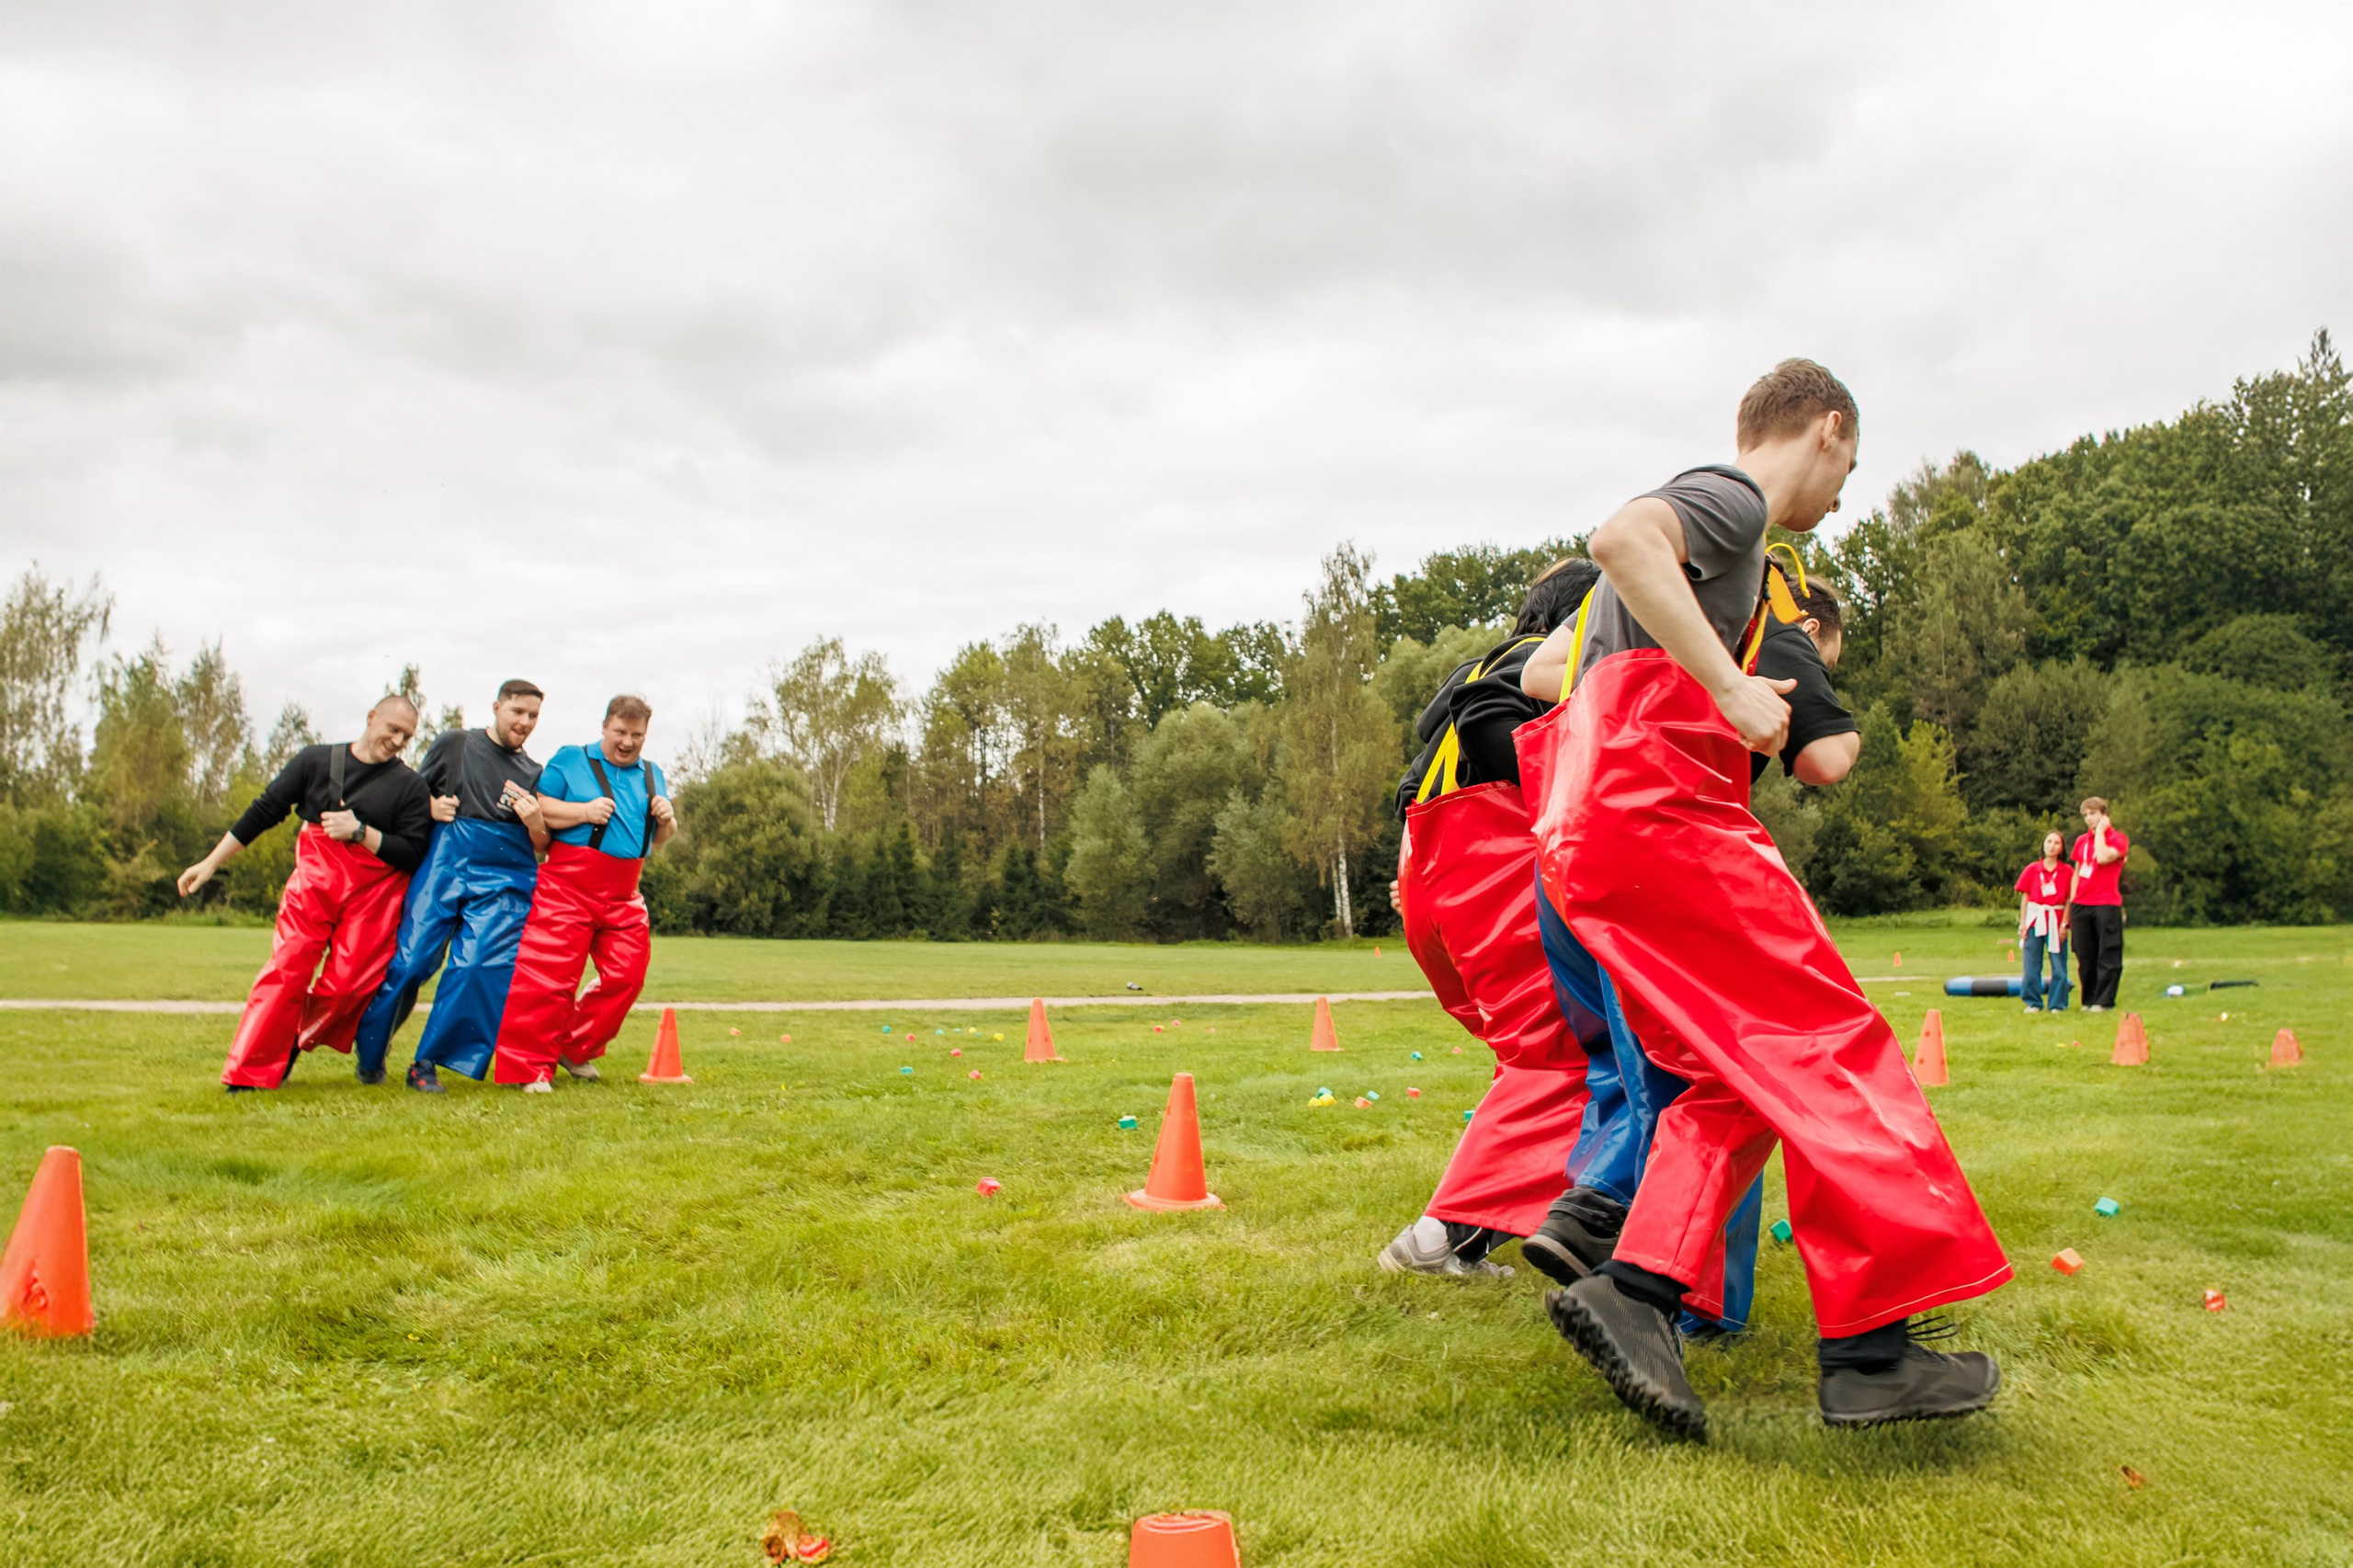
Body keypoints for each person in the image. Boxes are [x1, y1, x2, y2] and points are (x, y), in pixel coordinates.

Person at [1521, 360, 2009, 1439]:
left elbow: (1548, 671)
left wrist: (1695, 668)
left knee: (1735, 1071)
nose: (1840, 497)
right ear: (1826, 429)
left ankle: (1638, 1292)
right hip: (1663, 817)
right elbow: (1619, 539)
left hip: (1590, 827)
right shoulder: (1733, 502)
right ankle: (1871, 1350)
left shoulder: (1720, 560)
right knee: (1830, 1041)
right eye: (1849, 467)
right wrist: (1731, 686)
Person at [1515, 566, 1861, 1342]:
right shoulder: (1775, 624)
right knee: (1728, 1078)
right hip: (1668, 856)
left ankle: (1595, 1215)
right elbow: (1827, 759)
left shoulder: (1636, 611)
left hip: (1573, 850)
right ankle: (1681, 1293)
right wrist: (1793, 695)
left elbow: (1538, 672)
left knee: (1638, 1074)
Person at [1381, 558, 1601, 1278]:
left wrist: (1419, 874)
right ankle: (1440, 1237)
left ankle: (1488, 1229)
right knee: (1562, 1054)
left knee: (1537, 1058)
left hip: (1436, 879)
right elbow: (1486, 725)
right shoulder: (1532, 668)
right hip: (1489, 877)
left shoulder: (1477, 668)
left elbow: (1414, 786)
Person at [177, 696, 434, 1091]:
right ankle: (248, 1075)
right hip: (315, 882)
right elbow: (265, 810)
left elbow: (414, 853)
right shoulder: (315, 761)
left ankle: (295, 1035)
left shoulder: (410, 786)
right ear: (371, 718)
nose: (398, 740)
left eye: (407, 736)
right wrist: (211, 862)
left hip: (374, 896)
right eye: (393, 729)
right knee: (287, 970)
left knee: (348, 985)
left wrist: (361, 833)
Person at [352, 680, 552, 1092]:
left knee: (478, 966)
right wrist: (429, 806)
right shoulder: (455, 744)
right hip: (447, 862)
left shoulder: (534, 772)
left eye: (533, 716)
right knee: (411, 963)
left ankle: (425, 1064)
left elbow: (542, 849)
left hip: (505, 875)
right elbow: (410, 795)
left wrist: (536, 824)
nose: (525, 722)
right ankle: (371, 1050)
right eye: (518, 711)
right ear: (497, 707)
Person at [491, 695, 675, 1091]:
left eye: (637, 735)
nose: (627, 742)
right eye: (620, 733)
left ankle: (574, 1047)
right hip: (567, 885)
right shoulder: (570, 759)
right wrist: (584, 812)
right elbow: (537, 807)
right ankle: (528, 1068)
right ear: (605, 726)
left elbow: (659, 839)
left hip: (626, 891)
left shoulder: (652, 773)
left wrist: (668, 820)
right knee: (549, 978)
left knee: (628, 975)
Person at [2069, 798, 2129, 1012]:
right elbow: (2077, 871)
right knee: (2084, 954)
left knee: (2108, 953)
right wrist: (2073, 901)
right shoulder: (2081, 841)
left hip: (2106, 902)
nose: (2089, 819)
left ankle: (2104, 1001)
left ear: (2104, 815)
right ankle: (2089, 999)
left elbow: (2103, 858)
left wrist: (2101, 833)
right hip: (2081, 903)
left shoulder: (2117, 839)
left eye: (2093, 814)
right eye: (2085, 815)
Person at [2017, 829, 2074, 1014]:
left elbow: (2068, 900)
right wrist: (2023, 922)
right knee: (2031, 963)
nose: (2052, 846)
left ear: (2062, 848)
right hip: (2035, 919)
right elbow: (2025, 896)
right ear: (2043, 845)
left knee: (2058, 964)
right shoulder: (2032, 869)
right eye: (2049, 842)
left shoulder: (2067, 871)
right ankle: (2033, 1002)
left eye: (2057, 843)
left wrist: (2065, 924)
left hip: (2056, 921)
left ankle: (2058, 1003)